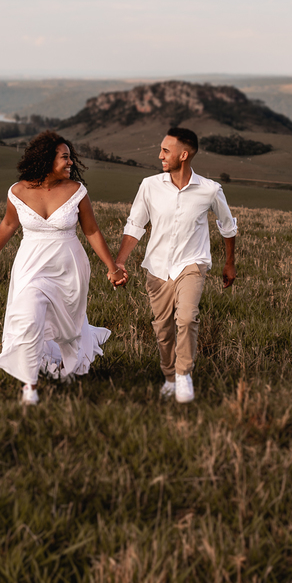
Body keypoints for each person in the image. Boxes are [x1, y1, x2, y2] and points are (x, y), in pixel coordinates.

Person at [0, 131, 126, 405]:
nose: (70, 162)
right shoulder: (18, 191)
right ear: (47, 159)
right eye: (65, 157)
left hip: (68, 268)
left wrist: (112, 268)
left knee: (68, 328)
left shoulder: (76, 191)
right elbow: (8, 224)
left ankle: (67, 367)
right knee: (28, 319)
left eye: (70, 157)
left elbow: (92, 231)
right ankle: (30, 385)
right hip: (31, 266)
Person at [114, 127, 237, 404]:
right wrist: (120, 261)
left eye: (165, 151)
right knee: (163, 329)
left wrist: (229, 263)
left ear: (184, 155)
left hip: (191, 265)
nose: (160, 155)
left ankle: (183, 375)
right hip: (157, 268)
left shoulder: (210, 190)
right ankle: (169, 376)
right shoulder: (149, 185)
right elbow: (135, 225)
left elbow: (227, 228)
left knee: (187, 317)